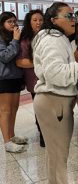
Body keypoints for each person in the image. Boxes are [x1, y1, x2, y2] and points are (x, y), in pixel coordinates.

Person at [32, 2, 78, 184]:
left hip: (54, 100)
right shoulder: (54, 39)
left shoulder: (55, 37)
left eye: (74, 15)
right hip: (54, 101)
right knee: (59, 157)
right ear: (53, 20)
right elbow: (55, 73)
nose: (74, 20)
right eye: (68, 16)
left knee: (55, 156)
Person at [16, 9, 45, 147]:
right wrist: (42, 62)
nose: (38, 22)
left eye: (40, 19)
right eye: (35, 20)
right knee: (40, 107)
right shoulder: (25, 40)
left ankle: (51, 133)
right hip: (34, 79)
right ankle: (43, 135)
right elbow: (21, 61)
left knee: (50, 107)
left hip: (49, 78)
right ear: (29, 22)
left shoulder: (48, 36)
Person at [0, 11, 27, 153]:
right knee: (5, 110)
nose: (13, 24)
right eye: (9, 21)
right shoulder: (1, 37)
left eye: (14, 21)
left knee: (14, 108)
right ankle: (6, 142)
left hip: (16, 77)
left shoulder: (14, 36)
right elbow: (5, 57)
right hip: (4, 79)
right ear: (2, 23)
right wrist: (15, 40)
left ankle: (12, 135)